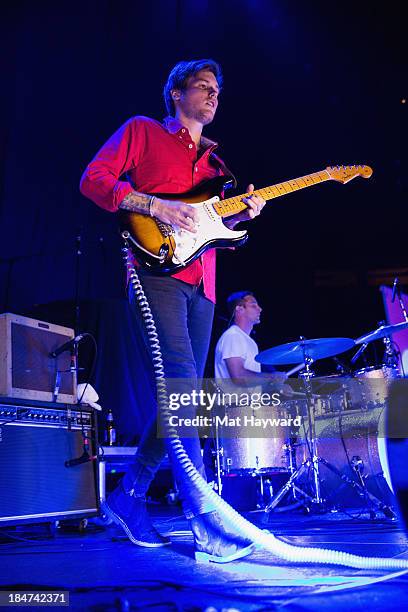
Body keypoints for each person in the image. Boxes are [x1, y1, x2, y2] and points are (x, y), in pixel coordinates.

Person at [80, 59, 266, 562]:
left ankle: (127, 496)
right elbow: (93, 180)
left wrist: (242, 214)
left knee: (185, 398)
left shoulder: (214, 167)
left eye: (218, 91)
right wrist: (153, 205)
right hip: (153, 275)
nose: (213, 96)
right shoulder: (142, 131)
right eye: (203, 87)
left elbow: (207, 229)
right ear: (176, 93)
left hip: (202, 285)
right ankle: (204, 515)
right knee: (182, 386)